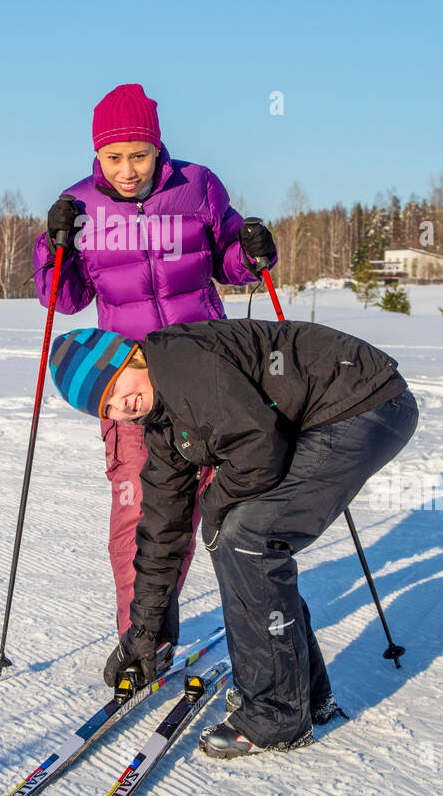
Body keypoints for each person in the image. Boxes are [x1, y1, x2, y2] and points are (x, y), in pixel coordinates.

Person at [48, 317, 419, 758]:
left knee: (249, 539)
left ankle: (276, 717)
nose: (120, 407)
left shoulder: (181, 362)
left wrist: (214, 510)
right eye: (106, 408)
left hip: (361, 403)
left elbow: (258, 451)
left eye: (114, 387)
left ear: (133, 356)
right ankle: (307, 696)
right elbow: (162, 527)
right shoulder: (163, 422)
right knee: (239, 539)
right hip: (335, 410)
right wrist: (143, 632)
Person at [34, 83, 274, 654]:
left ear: (158, 147)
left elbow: (232, 267)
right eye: (114, 158)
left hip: (208, 372)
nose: (127, 170)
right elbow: (62, 299)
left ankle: (256, 630)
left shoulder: (199, 187)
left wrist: (253, 249)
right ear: (97, 154)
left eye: (138, 155)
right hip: (129, 381)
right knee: (140, 509)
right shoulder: (81, 205)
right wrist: (54, 245)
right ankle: (141, 635)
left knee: (226, 508)